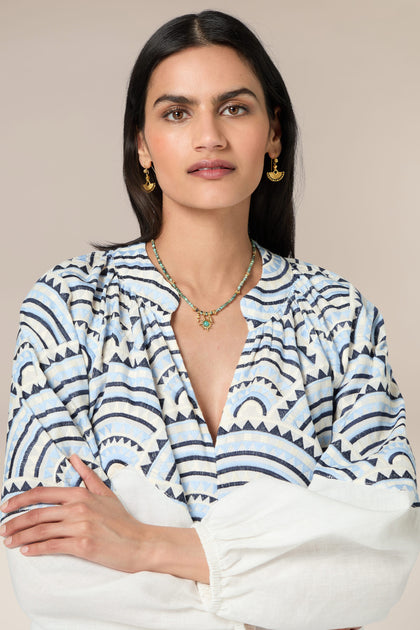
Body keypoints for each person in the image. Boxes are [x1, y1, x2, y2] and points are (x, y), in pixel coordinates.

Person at [0, 9, 419, 630]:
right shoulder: (68, 308)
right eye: (176, 113)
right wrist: (284, 576)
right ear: (142, 143)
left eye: (235, 108)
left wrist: (144, 544)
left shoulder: (340, 317)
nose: (209, 137)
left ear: (273, 134)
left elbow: (374, 557)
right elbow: (49, 566)